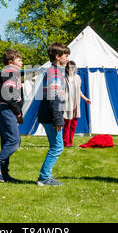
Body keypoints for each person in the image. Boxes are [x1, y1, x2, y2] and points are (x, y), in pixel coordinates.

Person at [0, 49, 24, 183]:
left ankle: (3, 173)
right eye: (19, 60)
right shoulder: (11, 72)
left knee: (7, 142)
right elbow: (9, 95)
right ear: (10, 62)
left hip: (4, 110)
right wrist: (18, 113)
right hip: (8, 109)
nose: (22, 62)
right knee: (14, 141)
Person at [37, 43, 70, 186]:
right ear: (58, 57)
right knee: (57, 147)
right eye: (66, 55)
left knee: (55, 146)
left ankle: (46, 177)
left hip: (48, 114)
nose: (68, 58)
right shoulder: (54, 73)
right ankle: (44, 178)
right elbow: (53, 96)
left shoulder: (54, 71)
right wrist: (57, 118)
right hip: (51, 115)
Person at [63, 61, 91, 147]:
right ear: (67, 69)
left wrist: (85, 99)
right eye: (70, 67)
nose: (72, 69)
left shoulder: (78, 78)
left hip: (76, 105)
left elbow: (79, 91)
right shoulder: (64, 78)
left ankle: (70, 142)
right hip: (67, 104)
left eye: (73, 67)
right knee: (67, 124)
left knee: (73, 125)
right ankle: (65, 142)